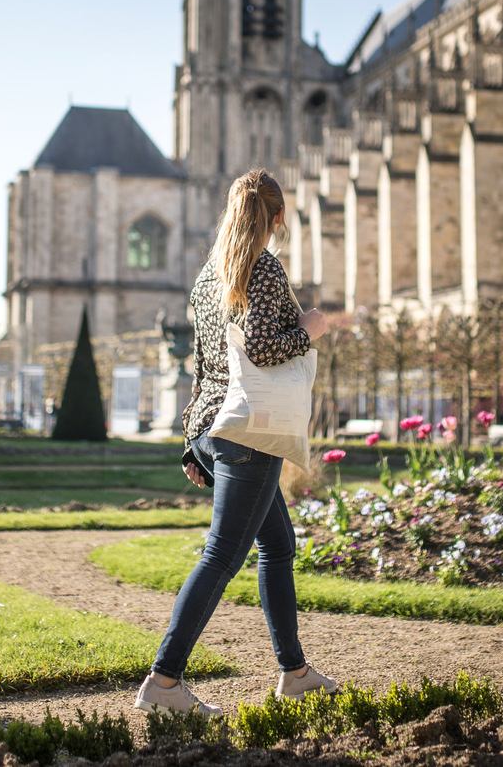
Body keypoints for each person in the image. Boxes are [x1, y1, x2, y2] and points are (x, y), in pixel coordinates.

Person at [135, 169, 337, 716]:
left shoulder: (209, 275)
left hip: (213, 429)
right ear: (277, 218)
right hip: (248, 433)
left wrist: (192, 442)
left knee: (278, 544)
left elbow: (203, 366)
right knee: (222, 556)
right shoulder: (262, 267)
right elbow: (265, 350)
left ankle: (294, 673)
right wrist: (311, 329)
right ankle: (164, 681)